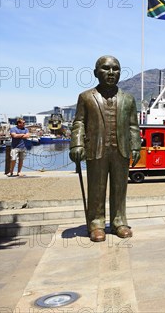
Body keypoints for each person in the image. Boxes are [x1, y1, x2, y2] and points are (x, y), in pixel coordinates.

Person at [69, 55, 141, 242]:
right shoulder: (86, 97)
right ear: (96, 73)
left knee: (120, 188)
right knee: (96, 188)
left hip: (121, 150)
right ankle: (96, 223)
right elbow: (79, 122)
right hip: (96, 149)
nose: (111, 73)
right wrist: (77, 143)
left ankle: (119, 222)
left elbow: (133, 125)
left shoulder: (128, 99)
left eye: (115, 69)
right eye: (106, 68)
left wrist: (136, 146)